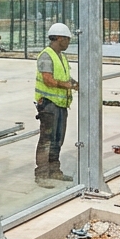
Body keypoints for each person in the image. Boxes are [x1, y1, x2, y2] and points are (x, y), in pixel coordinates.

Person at [34, 23, 78, 186]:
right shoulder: (46, 55)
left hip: (60, 104)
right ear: (59, 38)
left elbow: (65, 76)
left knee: (57, 139)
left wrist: (74, 83)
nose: (68, 43)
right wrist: (66, 85)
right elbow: (48, 79)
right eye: (67, 39)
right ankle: (42, 174)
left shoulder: (61, 56)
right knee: (47, 139)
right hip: (48, 105)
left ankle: (54, 170)